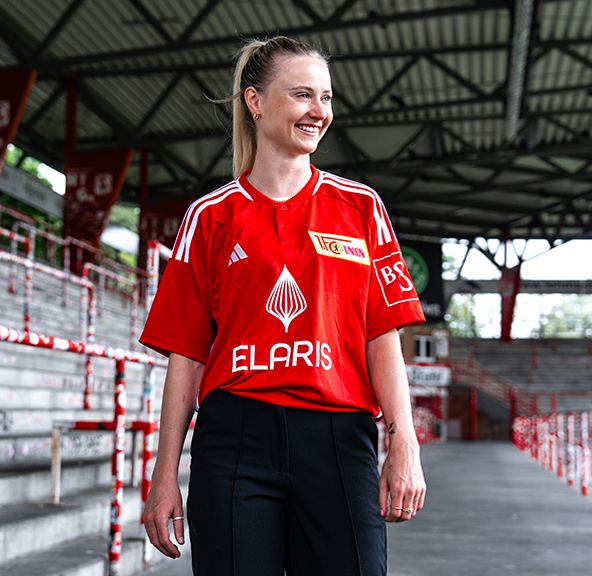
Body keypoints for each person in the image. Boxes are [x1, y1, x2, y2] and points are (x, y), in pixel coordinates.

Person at [138, 35, 426, 576]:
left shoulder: (360, 207)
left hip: (340, 440)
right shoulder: (210, 217)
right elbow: (186, 355)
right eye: (302, 95)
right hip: (236, 441)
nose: (319, 111)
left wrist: (403, 443)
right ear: (254, 101)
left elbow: (381, 334)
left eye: (327, 97)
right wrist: (164, 474)